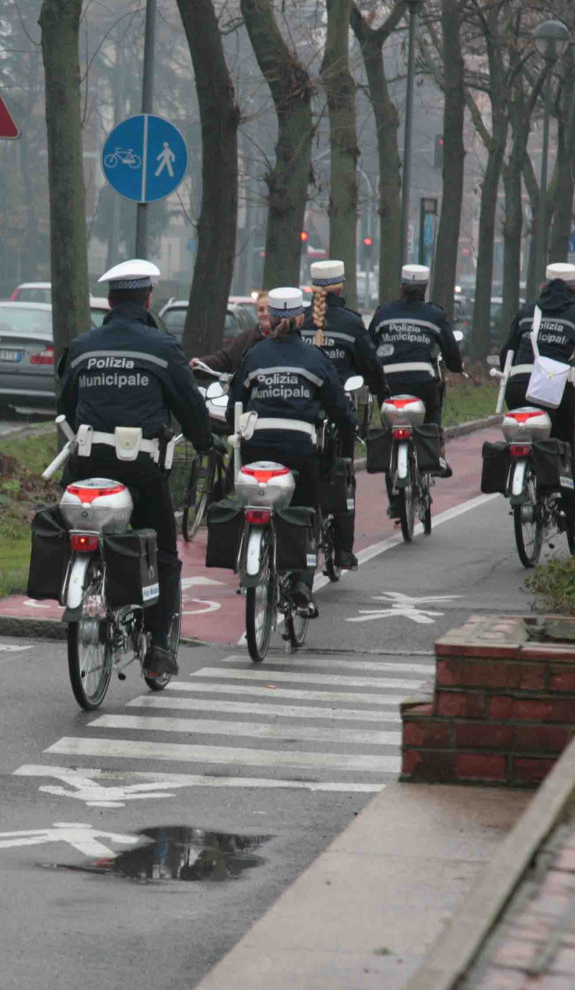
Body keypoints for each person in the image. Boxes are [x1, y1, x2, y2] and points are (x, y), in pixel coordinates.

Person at [56, 258, 217, 677]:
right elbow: (190, 407)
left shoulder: (82, 346)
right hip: (140, 470)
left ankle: (83, 582)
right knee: (163, 550)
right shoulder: (163, 349)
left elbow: (64, 408)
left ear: (109, 300)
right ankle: (160, 646)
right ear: (148, 299)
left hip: (87, 463)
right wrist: (206, 444)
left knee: (75, 524)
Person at [233, 288, 358, 606]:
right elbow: (340, 410)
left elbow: (235, 402)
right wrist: (346, 437)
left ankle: (251, 550)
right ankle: (302, 582)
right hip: (299, 450)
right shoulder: (315, 358)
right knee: (307, 509)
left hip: (256, 447)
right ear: (301, 319)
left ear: (270, 318)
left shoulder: (254, 355)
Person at [498, 263, 575, 540]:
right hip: (554, 391)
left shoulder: (527, 311)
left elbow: (507, 353)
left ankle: (524, 474)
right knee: (564, 446)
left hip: (517, 386)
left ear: (544, 286)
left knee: (523, 435)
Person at [306, 259, 386, 569]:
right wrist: (382, 390)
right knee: (343, 478)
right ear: (341, 286)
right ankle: (342, 550)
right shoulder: (351, 324)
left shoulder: (300, 321)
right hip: (337, 418)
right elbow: (370, 366)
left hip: (302, 415)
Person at [368, 263, 464, 478]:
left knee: (390, 429)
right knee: (433, 410)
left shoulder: (383, 313)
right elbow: (450, 349)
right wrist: (456, 366)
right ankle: (435, 453)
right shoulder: (434, 314)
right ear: (425, 287)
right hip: (422, 381)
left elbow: (368, 346)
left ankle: (394, 498)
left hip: (389, 384)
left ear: (401, 286)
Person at [192, 290, 270, 374]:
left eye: (269, 309)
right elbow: (226, 359)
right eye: (261, 310)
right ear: (256, 312)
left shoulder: (284, 338)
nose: (265, 314)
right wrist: (201, 363)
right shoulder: (245, 339)